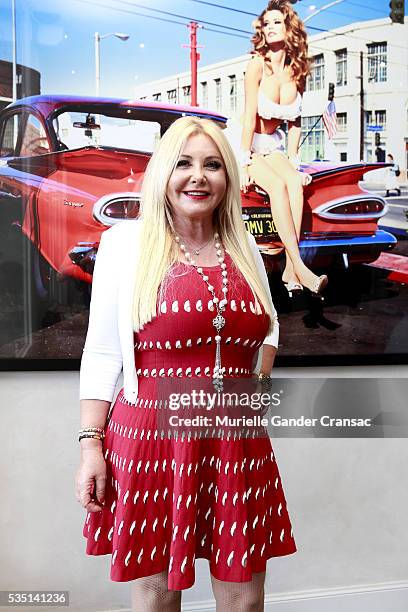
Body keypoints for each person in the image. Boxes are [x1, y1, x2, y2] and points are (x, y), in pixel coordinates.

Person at [75, 115, 297, 611]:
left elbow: (271, 326)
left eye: (213, 164)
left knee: (244, 596)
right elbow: (103, 352)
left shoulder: (245, 248)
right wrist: (91, 446)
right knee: (157, 592)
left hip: (235, 440)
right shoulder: (125, 245)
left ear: (228, 178)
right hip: (150, 437)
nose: (199, 176)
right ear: (162, 175)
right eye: (184, 163)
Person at [240, 0, 328, 298]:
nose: (270, 28)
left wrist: (295, 163)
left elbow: (295, 124)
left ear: (289, 27)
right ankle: (299, 267)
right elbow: (249, 115)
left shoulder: (297, 70)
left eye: (277, 22)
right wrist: (241, 163)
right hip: (248, 144)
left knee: (294, 183)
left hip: (274, 146)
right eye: (266, 24)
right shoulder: (256, 65)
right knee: (277, 187)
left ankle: (292, 270)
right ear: (261, 32)